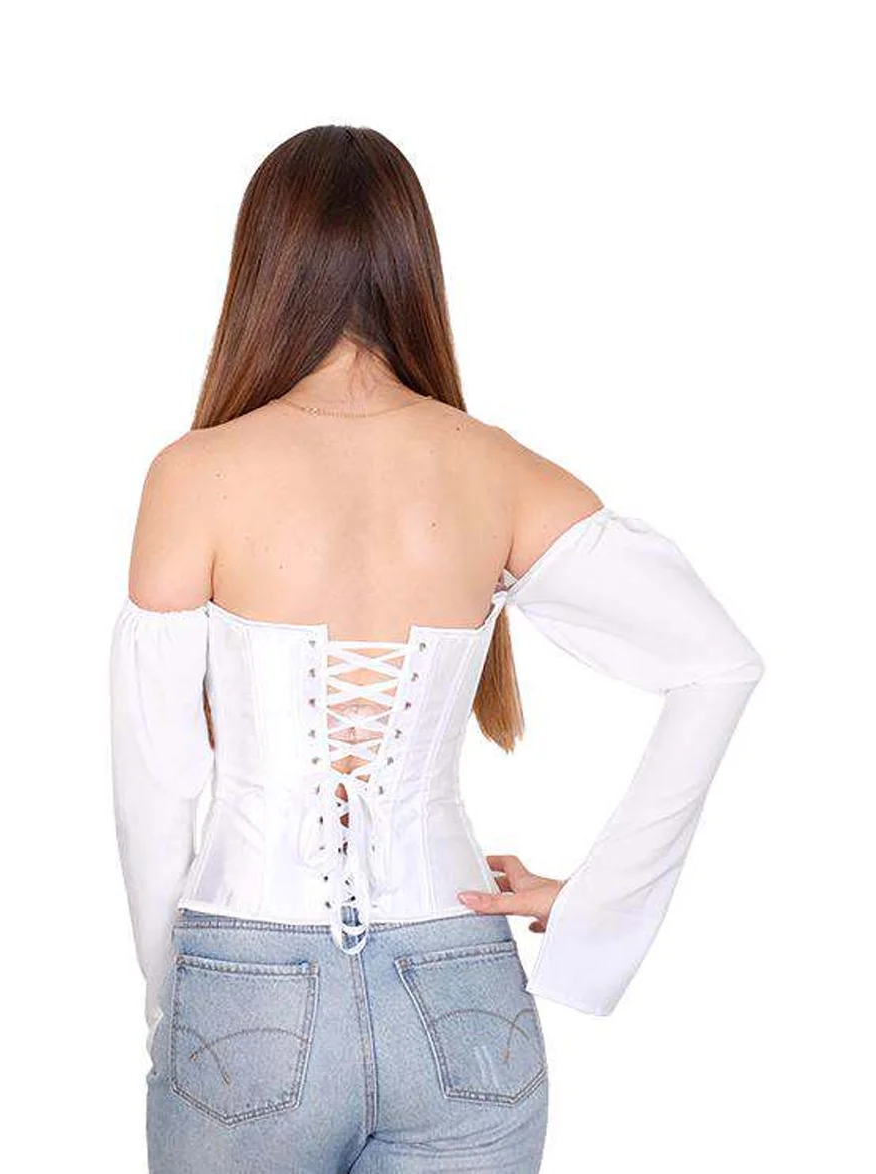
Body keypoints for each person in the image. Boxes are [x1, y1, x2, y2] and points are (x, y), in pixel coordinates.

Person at [108, 125, 765, 1174]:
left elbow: (156, 789)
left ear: (262, 268)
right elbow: (714, 661)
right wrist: (597, 906)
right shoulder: (496, 470)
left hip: (244, 993)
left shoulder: (195, 475)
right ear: (412, 263)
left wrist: (170, 1005)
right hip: (461, 990)